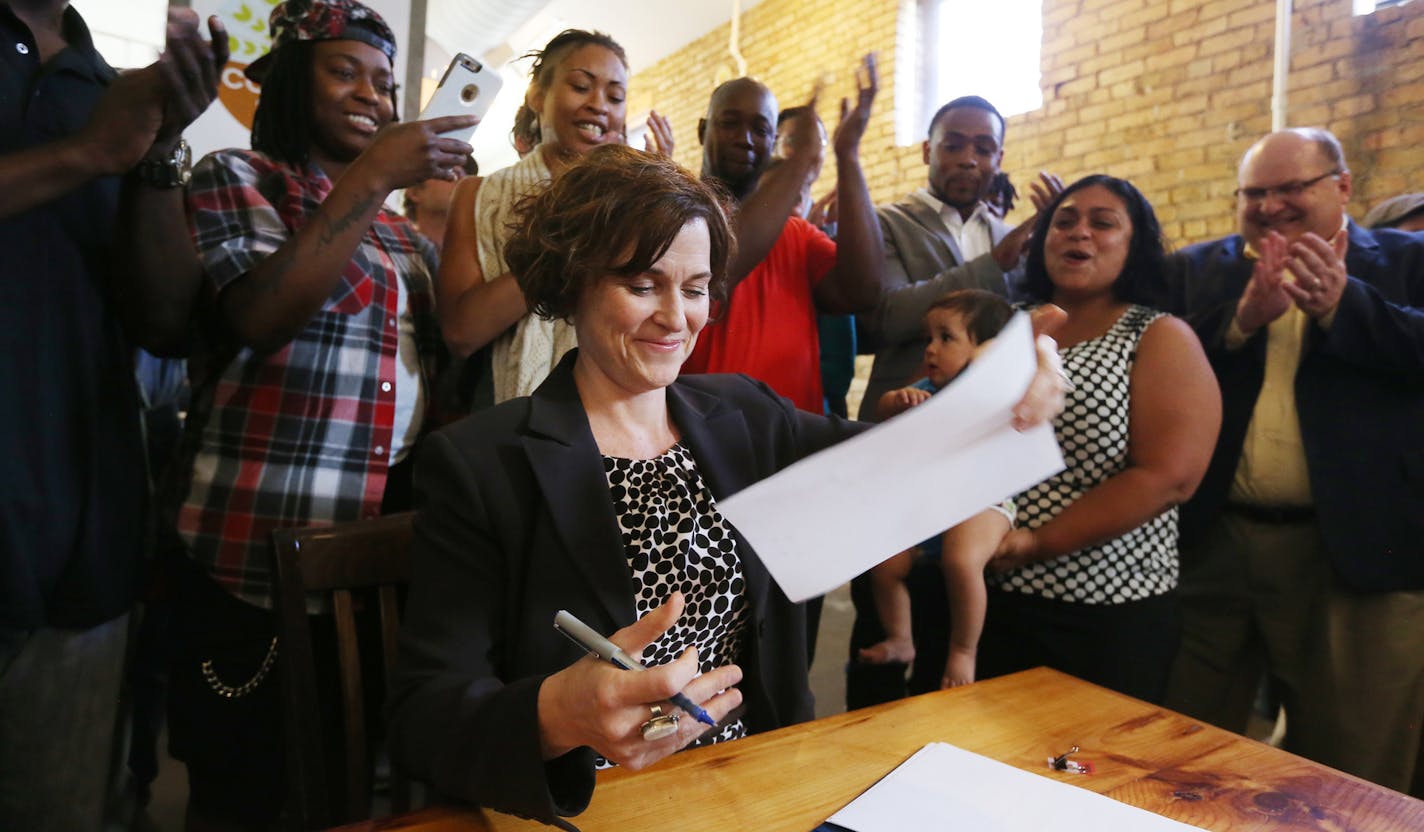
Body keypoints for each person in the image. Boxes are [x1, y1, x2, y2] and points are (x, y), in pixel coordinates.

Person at [387, 145, 1069, 827]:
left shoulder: (744, 415)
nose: (675, 318)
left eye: (693, 289)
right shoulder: (482, 462)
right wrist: (556, 716)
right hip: (586, 802)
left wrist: (1011, 391)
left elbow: (906, 457)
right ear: (572, 283)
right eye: (643, 284)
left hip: (753, 782)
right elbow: (425, 714)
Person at [169, 1, 474, 826]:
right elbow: (261, 316)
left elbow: (440, 378)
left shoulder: (409, 239)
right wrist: (373, 174)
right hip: (250, 556)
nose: (370, 94)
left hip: (361, 566)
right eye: (346, 72)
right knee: (240, 790)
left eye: (383, 81)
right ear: (294, 81)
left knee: (339, 793)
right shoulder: (238, 176)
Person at [0, 4, 226, 829]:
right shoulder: (96, 117)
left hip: (76, 530)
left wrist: (158, 150)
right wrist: (82, 154)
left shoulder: (104, 83)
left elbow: (162, 321)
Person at [1156, 128, 1424, 795]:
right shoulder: (1196, 270)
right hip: (1213, 544)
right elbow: (1155, 375)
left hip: (1356, 556)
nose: (1270, 206)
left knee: (1350, 769)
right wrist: (1239, 323)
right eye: (1255, 193)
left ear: (1342, 186)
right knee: (1177, 748)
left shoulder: (1406, 261)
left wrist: (1343, 305)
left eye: (1290, 189)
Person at [976, 175, 1220, 705]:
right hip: (987, 597)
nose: (1078, 233)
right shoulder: (1011, 326)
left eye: (1102, 223)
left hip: (1101, 610)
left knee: (1088, 771)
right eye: (1064, 221)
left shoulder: (1156, 334)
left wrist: (1037, 543)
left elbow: (1169, 476)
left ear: (1134, 247)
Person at [438, 30, 676, 406]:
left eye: (615, 97)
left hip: (612, 414)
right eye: (581, 86)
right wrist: (577, 221)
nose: (599, 104)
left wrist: (660, 201)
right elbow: (461, 332)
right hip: (499, 417)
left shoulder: (631, 206)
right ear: (536, 96)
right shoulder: (477, 195)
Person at [680, 56, 885, 414]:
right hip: (700, 444)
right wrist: (803, 158)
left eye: (760, 130)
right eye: (730, 124)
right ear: (702, 130)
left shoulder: (797, 233)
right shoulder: (676, 216)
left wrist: (847, 155)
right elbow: (721, 267)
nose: (745, 139)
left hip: (793, 444)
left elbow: (863, 291)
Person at [858, 95, 1061, 422]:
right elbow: (884, 318)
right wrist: (993, 264)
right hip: (906, 418)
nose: (969, 160)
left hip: (994, 420)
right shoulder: (884, 223)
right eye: (953, 146)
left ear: (999, 158)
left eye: (984, 149)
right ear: (927, 151)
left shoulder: (1013, 239)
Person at [858, 289, 1015, 689]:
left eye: (946, 338)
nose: (931, 348)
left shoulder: (991, 388)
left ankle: (963, 652)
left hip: (984, 503)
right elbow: (883, 408)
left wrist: (989, 360)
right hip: (932, 508)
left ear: (985, 349)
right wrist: (897, 400)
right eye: (929, 338)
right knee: (885, 559)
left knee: (961, 561)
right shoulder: (928, 387)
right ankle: (901, 638)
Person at [402, 155, 477, 249]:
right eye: (450, 172)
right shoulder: (398, 250)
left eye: (468, 175)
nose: (463, 179)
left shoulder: (487, 251)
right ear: (414, 192)